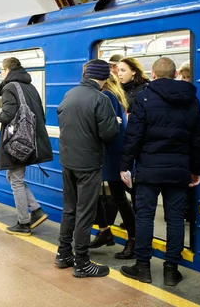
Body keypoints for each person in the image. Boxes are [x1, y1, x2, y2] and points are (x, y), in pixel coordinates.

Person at [119, 57, 200, 286]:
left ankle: (142, 267)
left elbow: (134, 136)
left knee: (145, 217)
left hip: (149, 169)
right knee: (175, 219)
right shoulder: (192, 99)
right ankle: (170, 271)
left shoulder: (143, 97)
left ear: (154, 75)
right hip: (179, 170)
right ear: (176, 74)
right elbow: (198, 139)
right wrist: (196, 169)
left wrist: (125, 166)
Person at [56, 60, 119, 278]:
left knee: (70, 209)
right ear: (103, 78)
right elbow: (108, 134)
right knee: (85, 212)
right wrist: (116, 122)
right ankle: (82, 262)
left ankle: (64, 254)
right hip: (88, 164)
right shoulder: (100, 99)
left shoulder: (69, 94)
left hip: (67, 161)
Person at [0, 57, 53, 236]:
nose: (1, 73)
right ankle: (36, 210)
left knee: (16, 180)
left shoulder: (10, 87)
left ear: (7, 70)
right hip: (30, 139)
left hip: (17, 142)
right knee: (13, 177)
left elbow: (8, 114)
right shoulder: (29, 87)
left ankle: (23, 222)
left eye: (1, 70)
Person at [88, 72, 135, 259]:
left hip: (110, 153)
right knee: (113, 196)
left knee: (119, 198)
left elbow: (106, 127)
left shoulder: (105, 95)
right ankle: (106, 230)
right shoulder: (116, 95)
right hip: (115, 152)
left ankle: (132, 238)